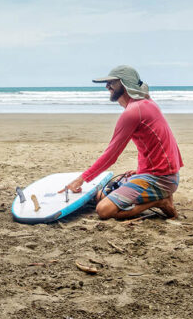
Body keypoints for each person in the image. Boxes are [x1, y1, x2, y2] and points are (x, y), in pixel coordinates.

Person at [61, 65, 183, 220]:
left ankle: (161, 201)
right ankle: (156, 194)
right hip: (159, 173)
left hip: (160, 179)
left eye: (112, 83)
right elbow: (154, 144)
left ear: (124, 84)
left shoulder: (133, 112)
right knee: (99, 196)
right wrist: (142, 169)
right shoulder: (146, 103)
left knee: (103, 210)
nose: (107, 87)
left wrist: (81, 179)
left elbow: (111, 155)